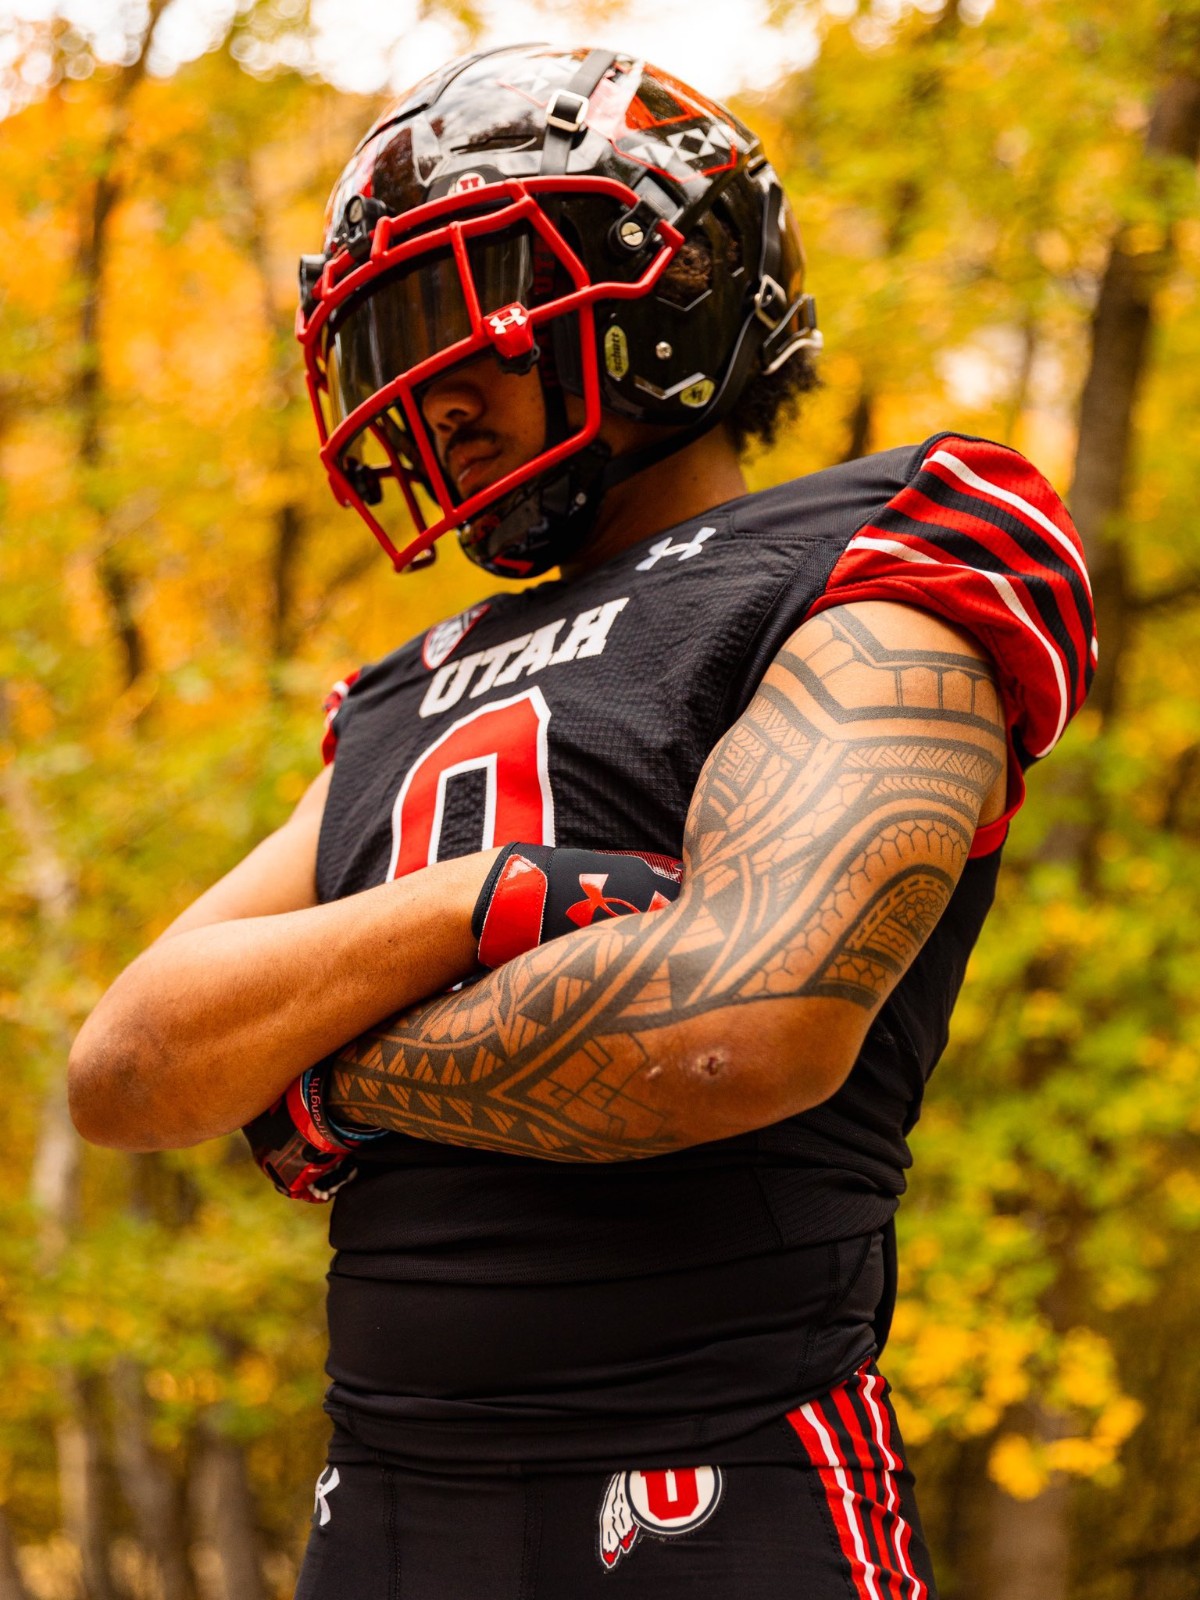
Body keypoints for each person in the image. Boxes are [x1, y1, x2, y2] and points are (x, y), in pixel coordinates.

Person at [68, 43, 1096, 1598]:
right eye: (389, 339)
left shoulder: (870, 548)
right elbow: (131, 1064)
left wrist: (311, 1078)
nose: (428, 391)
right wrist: (480, 902)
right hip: (383, 1506)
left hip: (715, 1483)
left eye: (462, 313)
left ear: (663, 292)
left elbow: (742, 1024)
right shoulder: (414, 682)